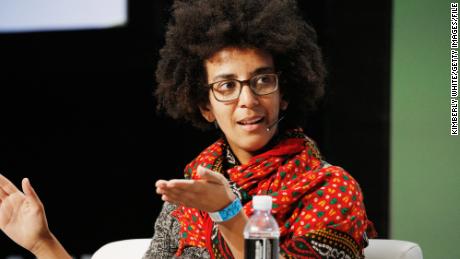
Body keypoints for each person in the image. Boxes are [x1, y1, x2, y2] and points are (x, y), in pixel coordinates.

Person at [0, 0, 376, 258]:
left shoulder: (331, 188)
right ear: (204, 106)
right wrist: (42, 243)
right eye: (227, 86)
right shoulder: (190, 199)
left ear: (285, 94)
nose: (248, 100)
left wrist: (229, 214)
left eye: (263, 81)